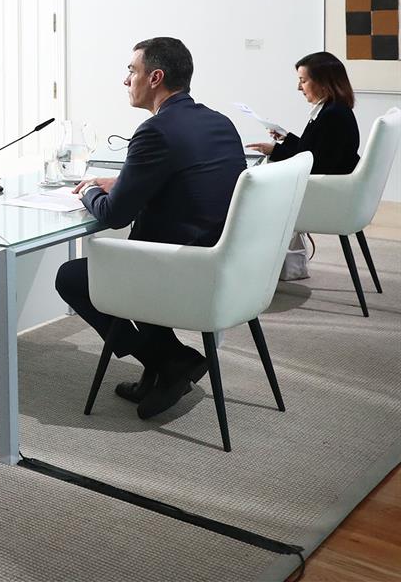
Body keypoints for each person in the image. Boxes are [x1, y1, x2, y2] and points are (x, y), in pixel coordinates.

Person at [55, 37, 246, 420]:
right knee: (126, 264)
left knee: (72, 278)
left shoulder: (154, 131)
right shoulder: (218, 122)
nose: (126, 80)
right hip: (225, 265)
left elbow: (113, 216)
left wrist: (91, 188)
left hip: (178, 270)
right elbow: (183, 179)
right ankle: (161, 366)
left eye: (132, 71)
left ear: (155, 77)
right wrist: (125, 180)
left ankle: (169, 360)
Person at [246, 51, 359, 175]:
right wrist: (287, 138)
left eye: (303, 81)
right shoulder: (332, 110)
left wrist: (274, 151)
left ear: (323, 82)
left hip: (325, 186)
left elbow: (315, 165)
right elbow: (311, 150)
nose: (299, 87)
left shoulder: (332, 115)